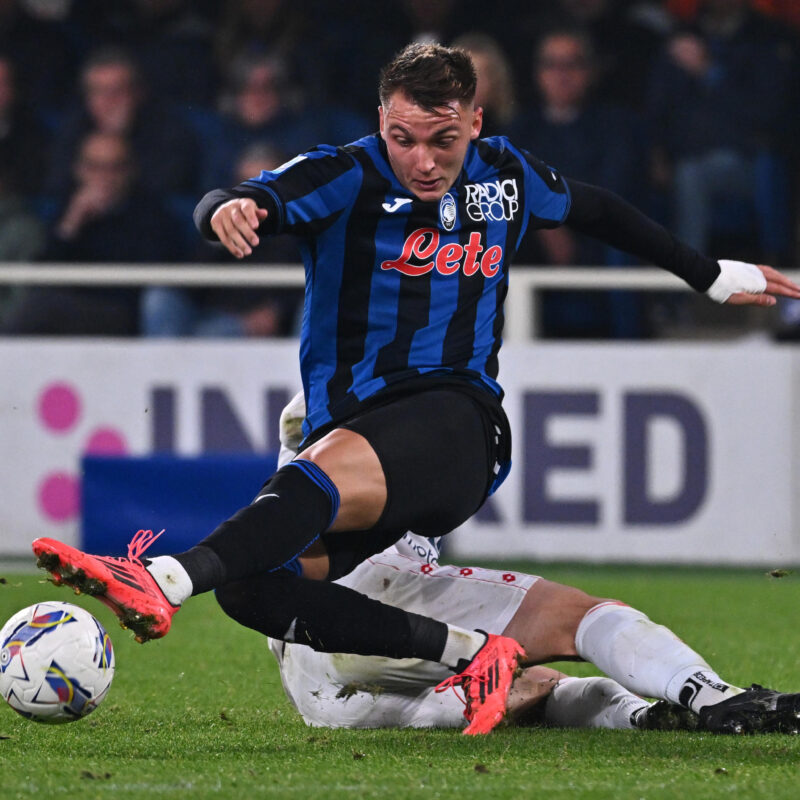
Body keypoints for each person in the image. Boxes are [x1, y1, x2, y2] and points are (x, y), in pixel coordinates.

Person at [33, 43, 800, 736]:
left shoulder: (507, 176)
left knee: (331, 462)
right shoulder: (347, 174)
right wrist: (230, 210)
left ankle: (163, 577)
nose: (423, 161)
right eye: (404, 139)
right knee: (253, 585)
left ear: (475, 119)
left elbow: (597, 208)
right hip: (367, 454)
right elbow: (244, 198)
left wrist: (711, 275)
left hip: (457, 423)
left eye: (444, 140)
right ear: (381, 123)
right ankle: (495, 657)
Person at [1, 131, 184, 336]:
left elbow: (151, 281)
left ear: (131, 170)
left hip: (123, 312)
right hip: (71, 309)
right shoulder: (68, 210)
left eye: (115, 168)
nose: (104, 177)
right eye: (94, 167)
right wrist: (71, 225)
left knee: (43, 308)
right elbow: (42, 277)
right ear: (79, 170)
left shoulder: (152, 215)